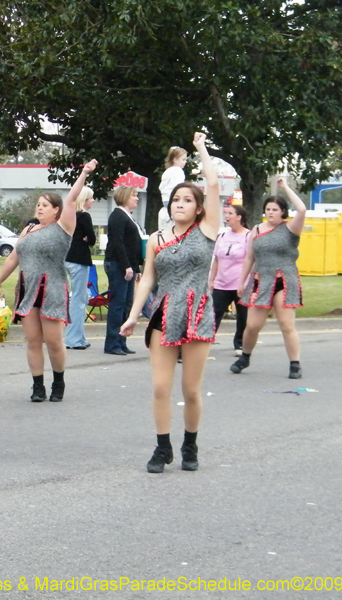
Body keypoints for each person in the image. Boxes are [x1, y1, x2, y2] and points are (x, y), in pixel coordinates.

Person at [120, 132, 220, 474]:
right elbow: (148, 279)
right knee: (161, 386)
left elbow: (214, 184)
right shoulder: (157, 238)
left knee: (190, 390)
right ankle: (162, 448)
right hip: (164, 312)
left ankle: (190, 443)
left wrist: (201, 148)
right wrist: (133, 316)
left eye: (187, 200)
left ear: (198, 207)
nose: (180, 203)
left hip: (197, 313)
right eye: (176, 199)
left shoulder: (207, 230)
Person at [0, 160, 98, 402]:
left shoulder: (64, 228)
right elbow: (13, 257)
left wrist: (83, 173)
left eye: (45, 205)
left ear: (56, 211)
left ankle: (58, 381)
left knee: (54, 341)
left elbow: (71, 199)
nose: (40, 208)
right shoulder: (28, 230)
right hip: (28, 290)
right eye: (38, 204)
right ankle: (37, 385)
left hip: (52, 289)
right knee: (33, 341)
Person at [231, 179, 307, 379]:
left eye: (275, 209)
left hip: (284, 279)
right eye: (268, 209)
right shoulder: (256, 229)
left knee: (286, 325)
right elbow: (249, 257)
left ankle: (295, 364)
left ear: (282, 211)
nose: (271, 212)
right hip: (261, 279)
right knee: (253, 326)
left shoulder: (291, 228)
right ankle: (245, 357)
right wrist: (241, 282)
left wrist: (285, 188)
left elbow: (302, 209)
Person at [104, 185, 144, 356]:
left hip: (128, 265)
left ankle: (121, 340)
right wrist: (126, 266)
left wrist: (136, 268)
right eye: (134, 195)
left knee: (127, 304)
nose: (137, 198)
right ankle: (112, 343)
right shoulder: (117, 216)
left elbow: (133, 245)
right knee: (117, 304)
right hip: (117, 265)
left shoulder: (129, 217)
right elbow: (118, 243)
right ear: (125, 196)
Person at [208, 205, 250, 356]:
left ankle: (239, 344)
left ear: (239, 217)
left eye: (230, 214)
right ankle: (205, 340)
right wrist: (212, 280)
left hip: (241, 283)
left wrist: (246, 282)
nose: (226, 216)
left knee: (242, 315)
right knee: (213, 313)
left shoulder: (248, 236)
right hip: (221, 283)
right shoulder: (222, 236)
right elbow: (217, 260)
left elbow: (251, 260)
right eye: (226, 213)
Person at [64, 187, 97, 350]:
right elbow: (91, 239)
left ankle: (79, 337)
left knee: (74, 298)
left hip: (66, 258)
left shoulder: (68, 215)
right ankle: (73, 339)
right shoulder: (84, 216)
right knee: (78, 299)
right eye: (91, 198)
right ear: (84, 200)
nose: (93, 201)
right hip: (79, 259)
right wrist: (87, 238)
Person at [158, 146, 187, 230]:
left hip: (165, 200)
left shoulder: (167, 171)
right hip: (173, 199)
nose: (185, 162)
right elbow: (179, 187)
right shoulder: (178, 171)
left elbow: (161, 187)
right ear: (175, 160)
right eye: (183, 159)